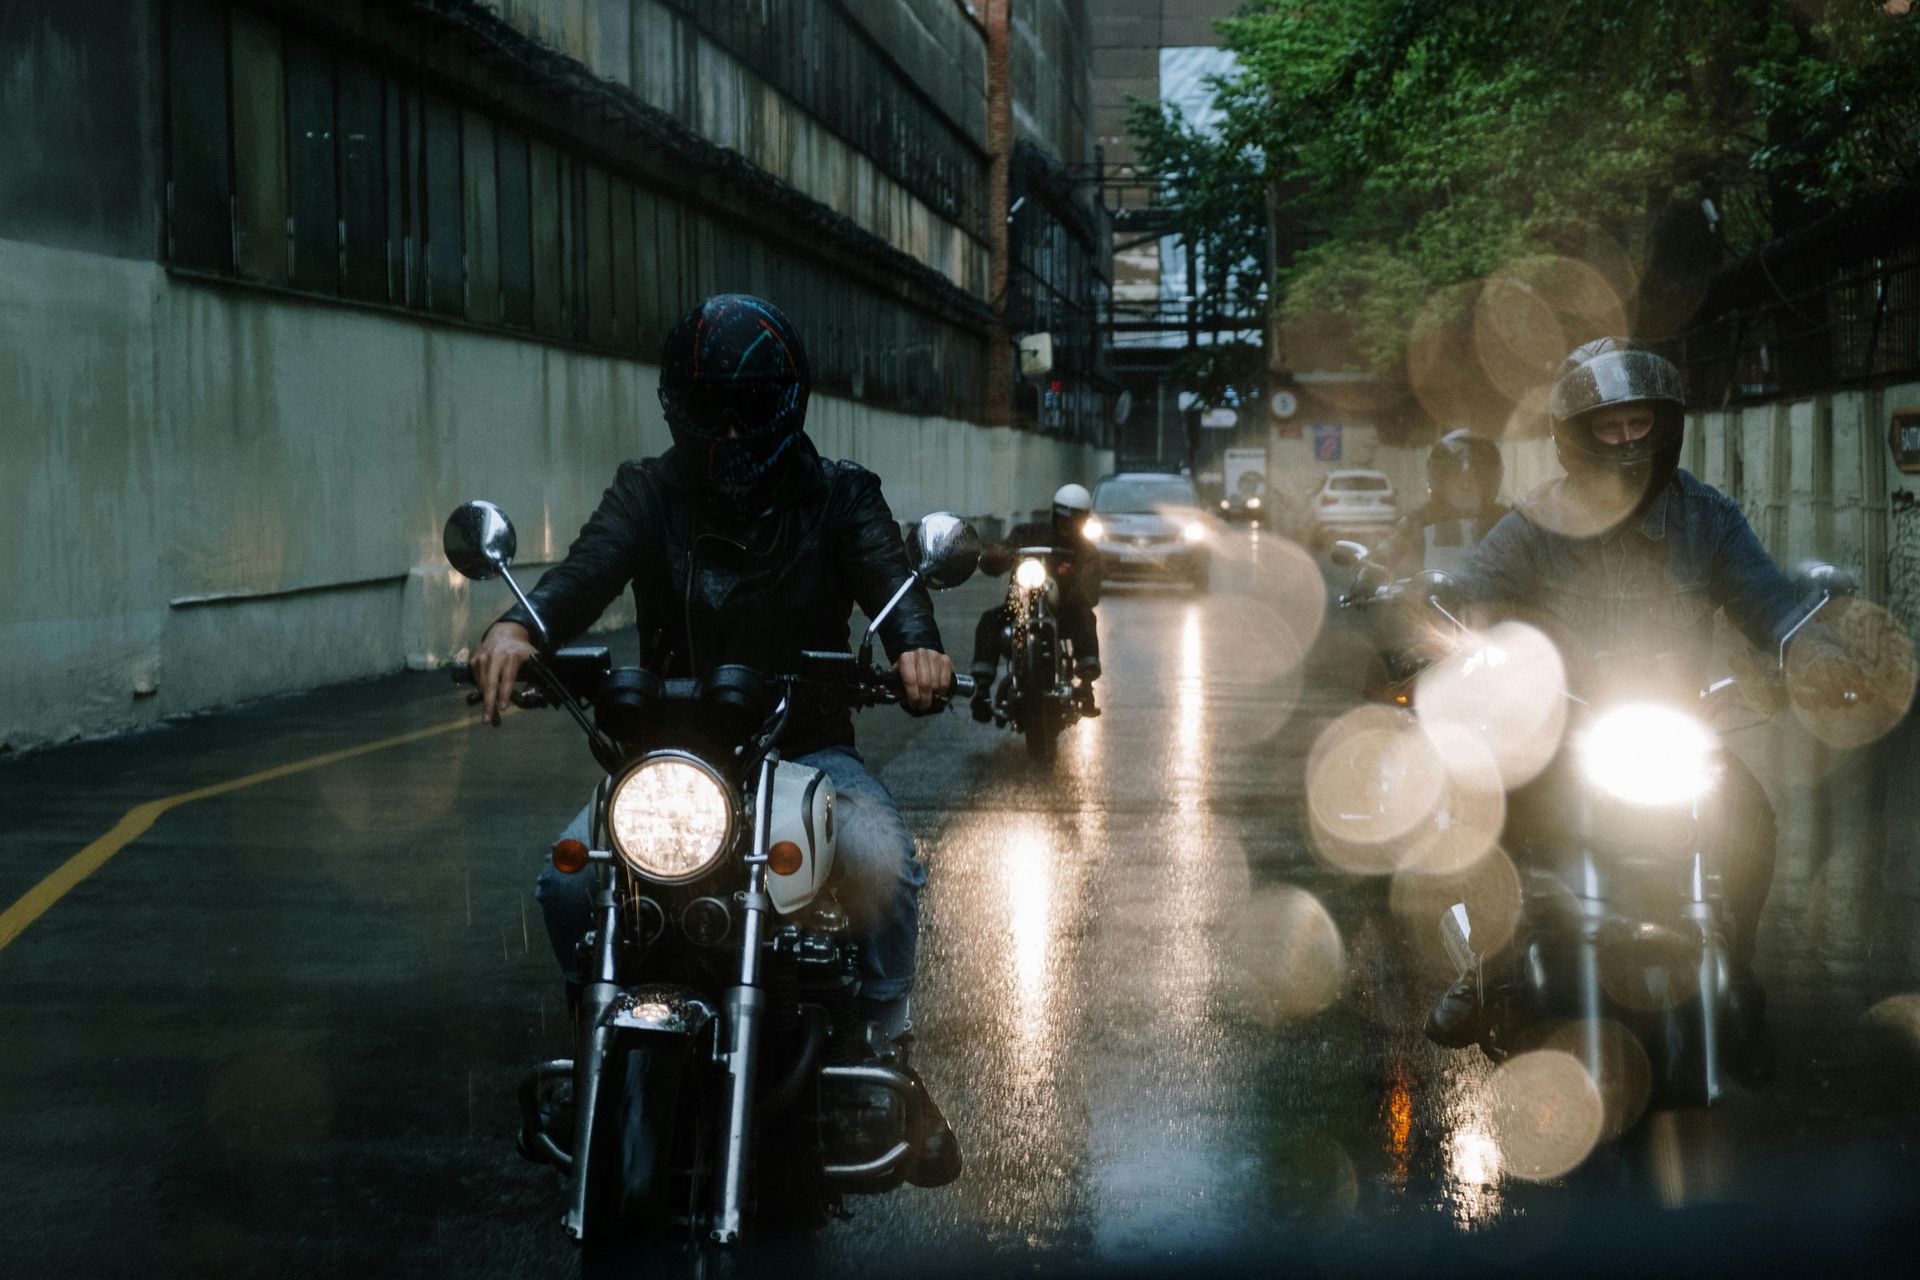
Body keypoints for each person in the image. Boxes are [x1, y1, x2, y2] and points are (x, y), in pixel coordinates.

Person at [465, 293, 959, 1185]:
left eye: (749, 409)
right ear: (676, 407)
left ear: (787, 402)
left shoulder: (841, 495)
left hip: (807, 751)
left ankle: (888, 1051)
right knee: (569, 886)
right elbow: (589, 567)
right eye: (707, 410)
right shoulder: (649, 492)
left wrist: (916, 647)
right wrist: (519, 626)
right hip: (673, 758)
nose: (729, 434)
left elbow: (890, 580)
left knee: (882, 855)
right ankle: (600, 1051)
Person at [1428, 337, 1860, 1076]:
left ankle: (1737, 961)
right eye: (1610, 426)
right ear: (1575, 435)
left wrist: (1811, 649)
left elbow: (1769, 601)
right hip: (1560, 728)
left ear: (1665, 427)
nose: (1629, 442)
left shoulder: (1708, 519)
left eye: (1641, 425)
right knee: (1487, 809)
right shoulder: (1536, 522)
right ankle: (1488, 969)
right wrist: (1452, 633)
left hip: (1675, 726)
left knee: (1749, 819)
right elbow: (1473, 587)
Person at [968, 483, 1104, 722]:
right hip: (1020, 606)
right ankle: (981, 690)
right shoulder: (1028, 534)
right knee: (990, 620)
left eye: (1074, 519)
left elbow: (1091, 587)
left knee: (1085, 616)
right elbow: (999, 555)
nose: (1066, 523)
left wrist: (1080, 590)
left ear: (1083, 520)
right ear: (1054, 513)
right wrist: (997, 554)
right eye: (1062, 516)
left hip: (1063, 612)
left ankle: (1086, 681)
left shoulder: (1087, 551)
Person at [1377, 428, 1509, 575]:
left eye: (1477, 476)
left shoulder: (1506, 522)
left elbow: (1532, 563)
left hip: (1494, 598)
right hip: (1431, 596)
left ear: (1489, 482)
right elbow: (1387, 552)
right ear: (1440, 479)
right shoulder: (1419, 521)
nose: (1466, 484)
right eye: (1456, 474)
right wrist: (1369, 575)